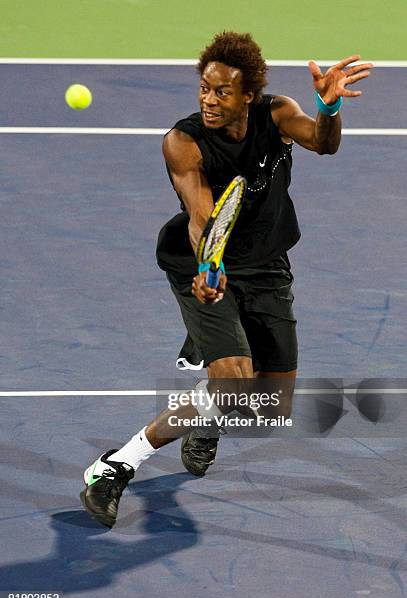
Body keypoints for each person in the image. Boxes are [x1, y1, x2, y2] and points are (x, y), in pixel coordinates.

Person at [80, 32, 373, 528]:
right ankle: (114, 466)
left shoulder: (277, 114)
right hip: (200, 264)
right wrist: (207, 266)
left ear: (248, 97)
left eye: (221, 92)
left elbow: (325, 144)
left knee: (270, 406)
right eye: (204, 88)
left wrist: (327, 106)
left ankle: (207, 414)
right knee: (234, 382)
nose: (208, 99)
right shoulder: (183, 141)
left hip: (266, 263)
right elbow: (201, 217)